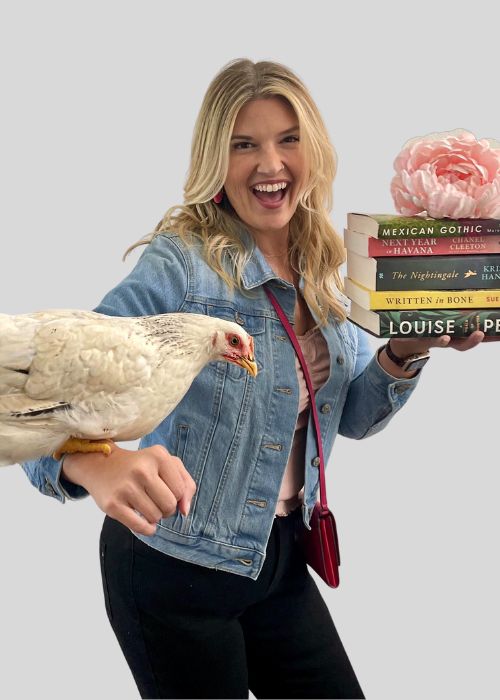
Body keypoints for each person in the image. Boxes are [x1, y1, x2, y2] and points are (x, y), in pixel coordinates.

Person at [22, 58, 484, 699]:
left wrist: (409, 346)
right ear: (218, 159)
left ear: (313, 149)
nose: (270, 164)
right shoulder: (180, 267)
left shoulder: (328, 261)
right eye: (245, 144)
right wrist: (98, 467)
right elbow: (41, 395)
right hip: (170, 568)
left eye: (287, 139)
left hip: (278, 558)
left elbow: (347, 418)